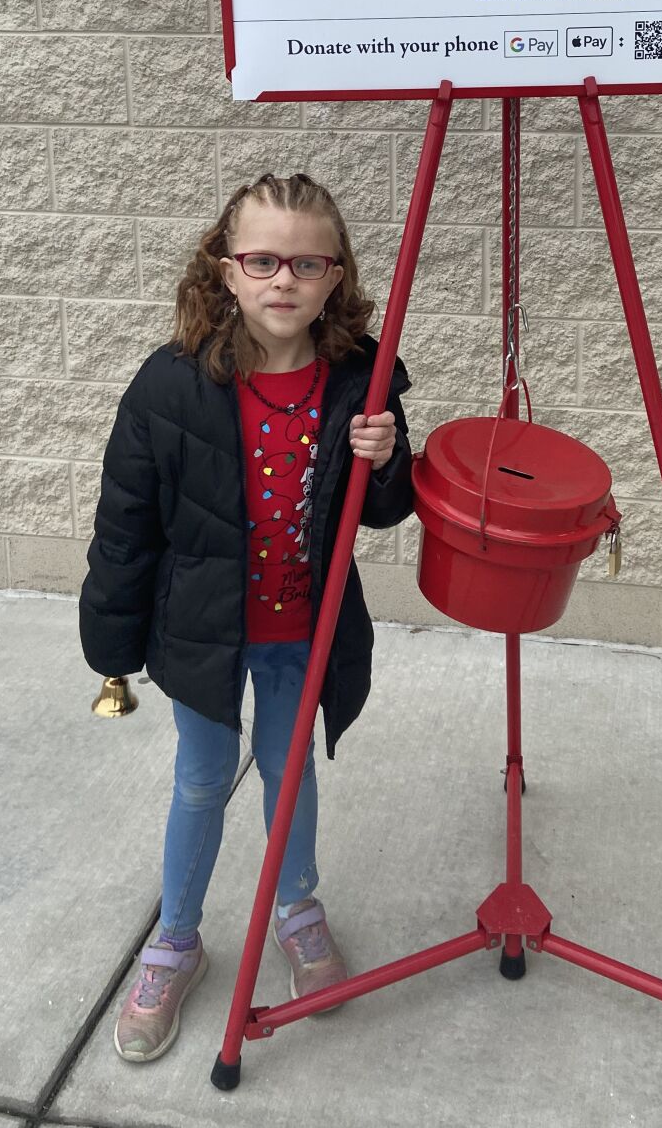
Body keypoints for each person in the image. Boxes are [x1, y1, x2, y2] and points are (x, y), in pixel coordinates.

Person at [79, 171, 414, 1063]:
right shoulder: (169, 386)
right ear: (224, 270)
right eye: (262, 259)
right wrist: (110, 644)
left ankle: (296, 902)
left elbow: (383, 509)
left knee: (289, 768)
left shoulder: (360, 380)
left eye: (308, 262)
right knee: (200, 779)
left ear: (334, 276)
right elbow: (125, 522)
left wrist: (382, 458)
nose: (283, 280)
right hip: (202, 633)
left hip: (305, 629)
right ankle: (176, 938)